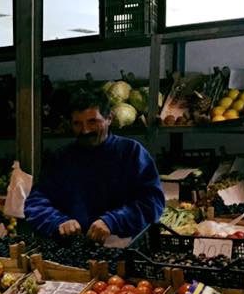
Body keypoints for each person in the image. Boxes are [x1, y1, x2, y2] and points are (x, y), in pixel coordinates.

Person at [24, 87, 165, 241]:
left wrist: (113, 221)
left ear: (109, 118)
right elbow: (36, 203)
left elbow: (153, 202)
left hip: (124, 245)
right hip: (73, 247)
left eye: (92, 122)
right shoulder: (61, 159)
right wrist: (58, 222)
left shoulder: (131, 153)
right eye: (77, 124)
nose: (85, 131)